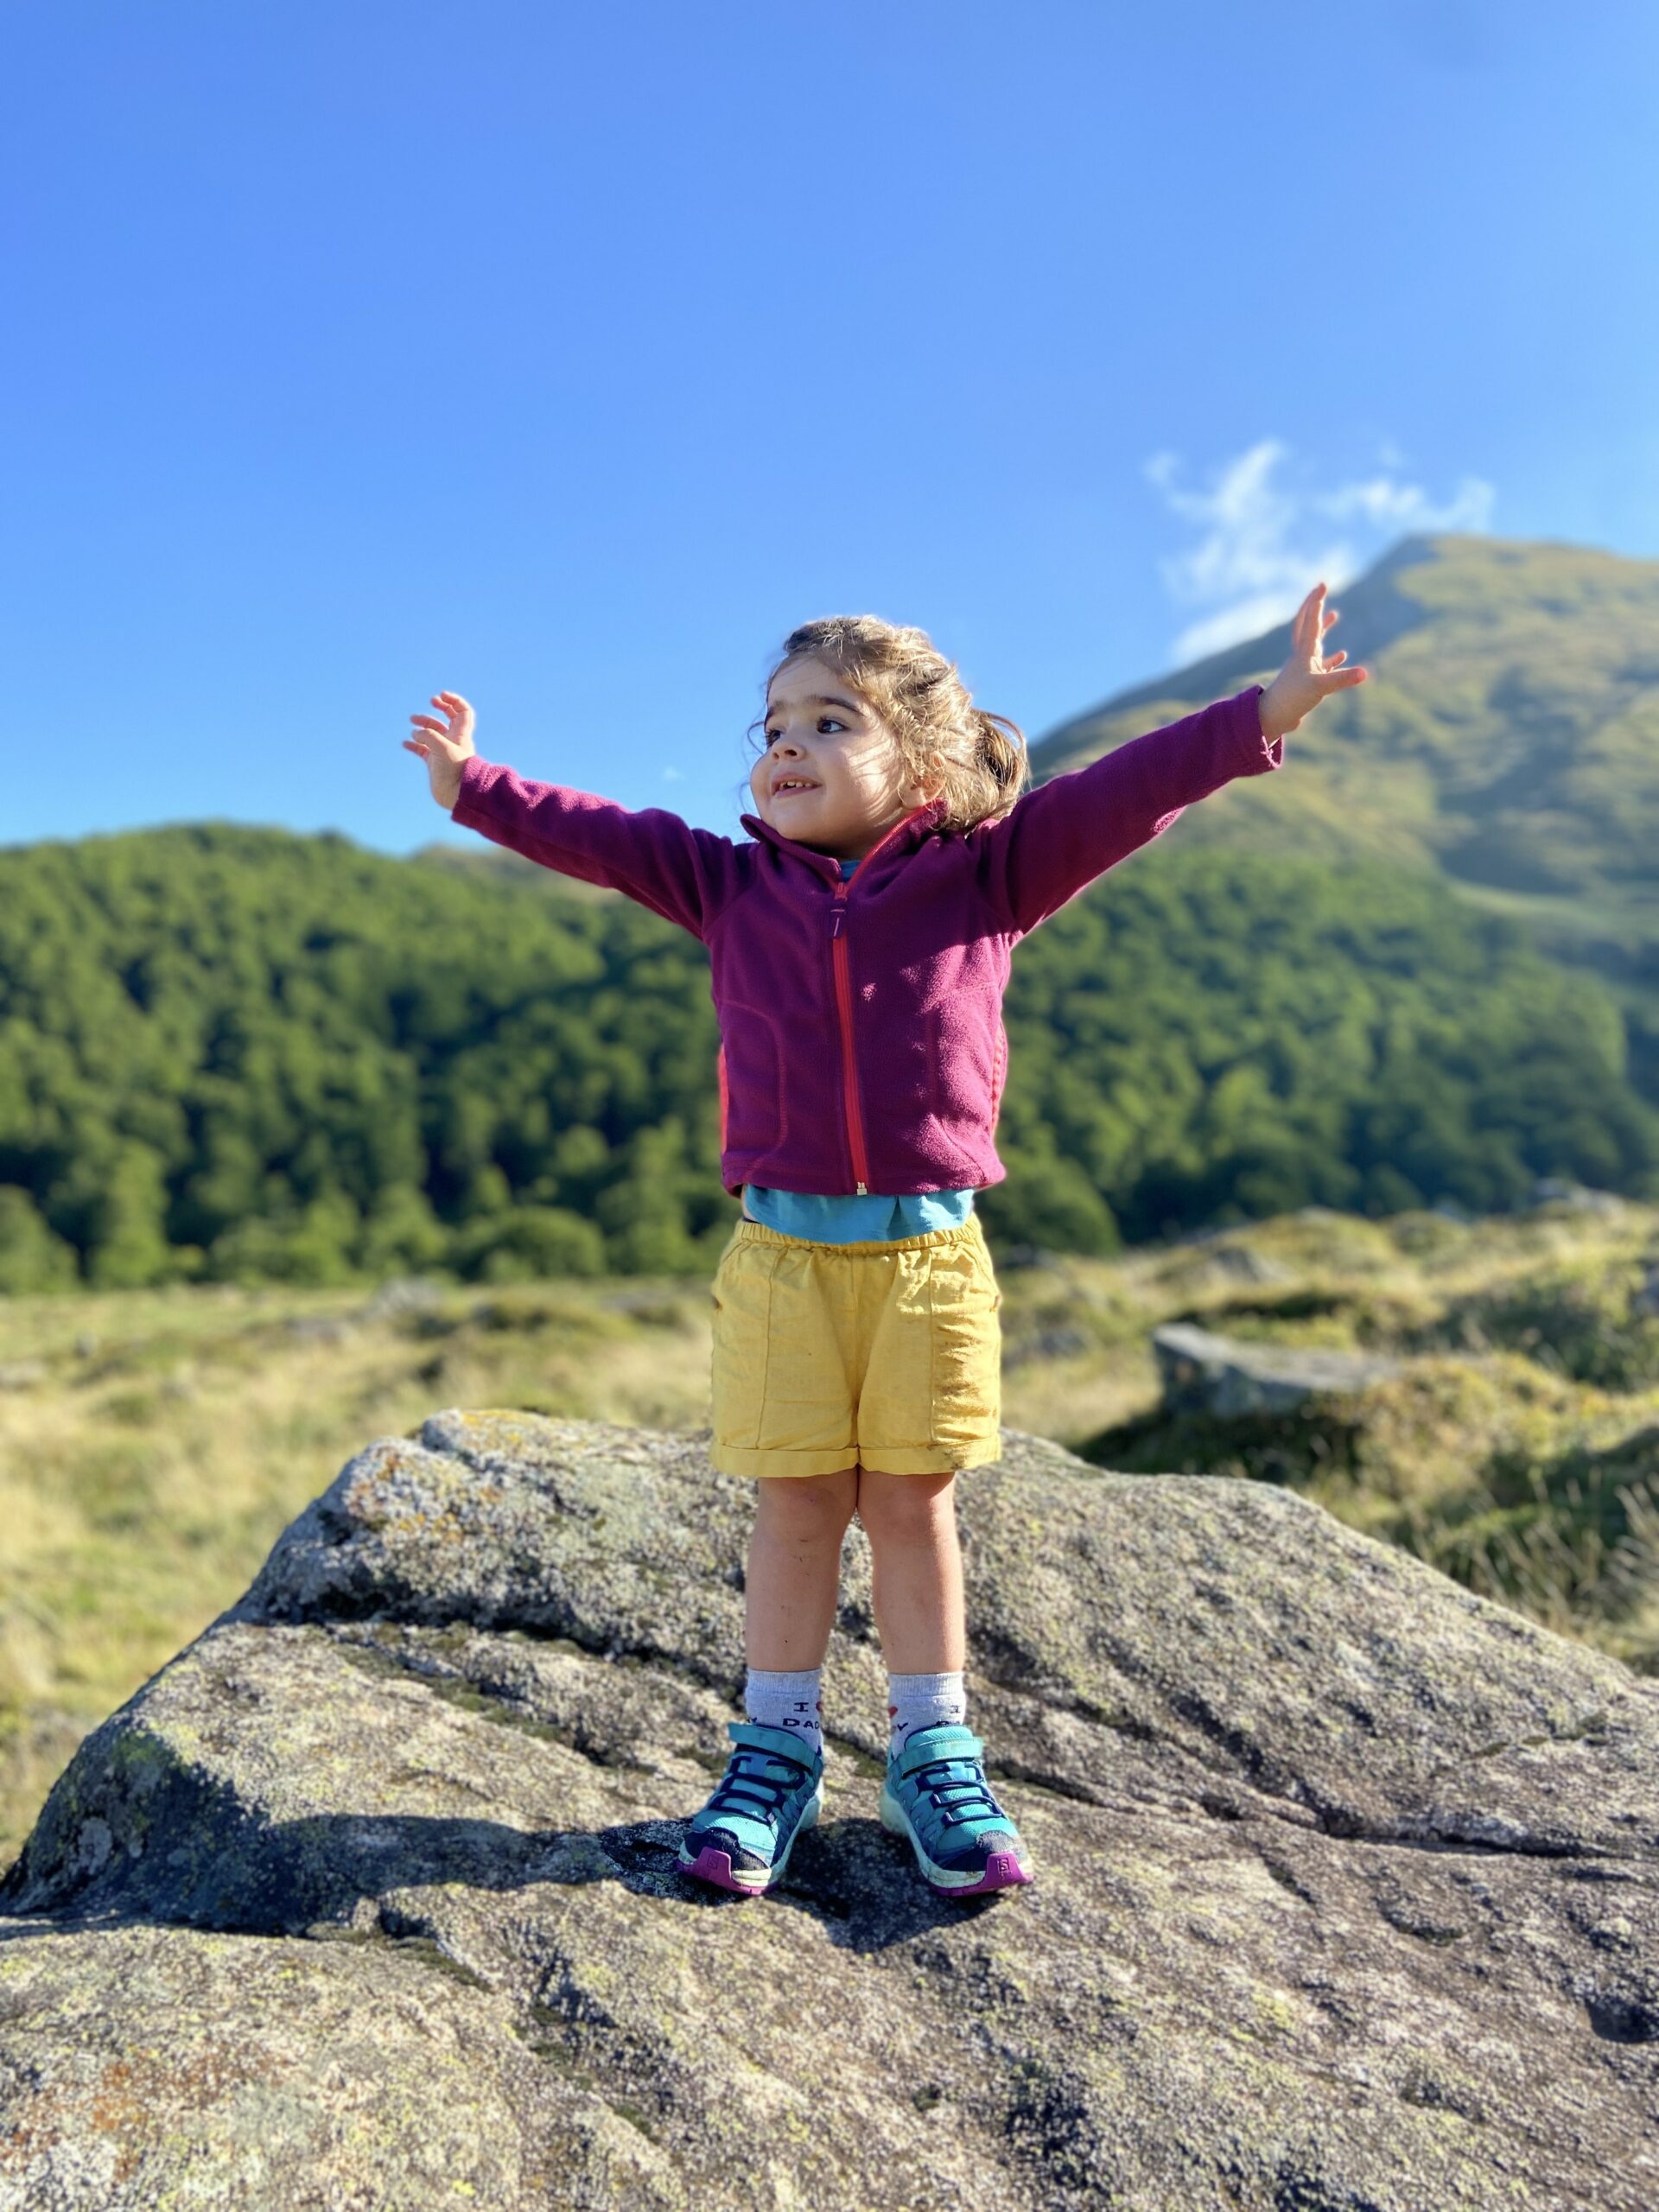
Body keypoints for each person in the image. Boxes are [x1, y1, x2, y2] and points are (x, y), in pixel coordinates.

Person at [404, 584, 1366, 1901]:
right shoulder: (727, 883)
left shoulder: (992, 874)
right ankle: (774, 1753)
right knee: (796, 1504)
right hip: (781, 1264)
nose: (783, 744)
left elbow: (1130, 788)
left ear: (917, 758)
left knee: (913, 1504)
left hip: (928, 1262)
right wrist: (475, 786)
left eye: (827, 719)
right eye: (773, 722)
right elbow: (604, 837)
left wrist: (1269, 710)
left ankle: (932, 1749)